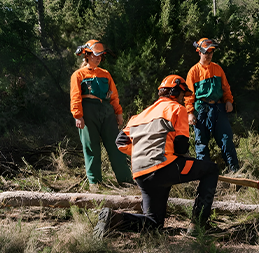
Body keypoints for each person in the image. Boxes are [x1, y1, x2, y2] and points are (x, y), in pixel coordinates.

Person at [94, 75, 220, 236]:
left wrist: (142, 152)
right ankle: (199, 225)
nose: (183, 99)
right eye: (182, 95)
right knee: (211, 170)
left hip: (141, 173)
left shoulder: (139, 116)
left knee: (154, 224)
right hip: (164, 167)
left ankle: (114, 219)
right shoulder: (177, 109)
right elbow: (181, 146)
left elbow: (120, 142)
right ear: (175, 91)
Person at [69, 39, 132, 188]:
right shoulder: (78, 75)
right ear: (87, 55)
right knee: (91, 147)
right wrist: (78, 116)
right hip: (87, 110)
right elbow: (75, 96)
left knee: (116, 145)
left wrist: (118, 113)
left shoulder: (105, 74)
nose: (98, 58)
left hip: (106, 110)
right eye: (95, 55)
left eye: (100, 56)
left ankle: (126, 181)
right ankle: (95, 184)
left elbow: (114, 95)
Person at [185, 38, 241, 173]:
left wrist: (228, 101)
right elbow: (188, 96)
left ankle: (234, 172)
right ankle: (204, 174)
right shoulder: (193, 72)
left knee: (226, 140)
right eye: (206, 52)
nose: (209, 55)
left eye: (211, 52)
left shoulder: (217, 69)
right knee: (201, 143)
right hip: (201, 110)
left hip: (218, 108)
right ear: (199, 52)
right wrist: (190, 112)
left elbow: (226, 88)